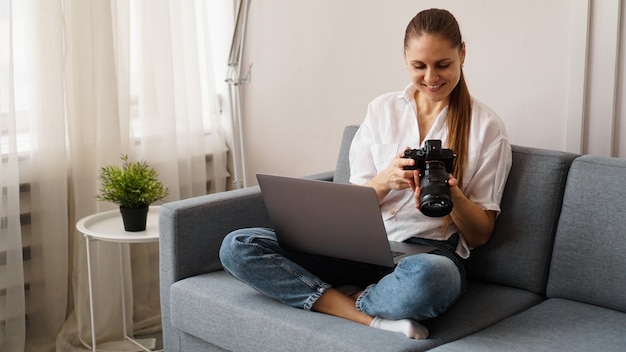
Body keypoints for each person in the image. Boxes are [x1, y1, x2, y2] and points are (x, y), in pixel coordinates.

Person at [219, 8, 512, 340]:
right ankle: (364, 314)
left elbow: (480, 235)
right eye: (419, 66)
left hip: (428, 254)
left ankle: (339, 297)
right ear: (405, 61)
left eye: (442, 64)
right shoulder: (382, 109)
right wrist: (385, 180)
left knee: (432, 279)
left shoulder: (487, 128)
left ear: (462, 53)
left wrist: (451, 192)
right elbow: (351, 205)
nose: (431, 77)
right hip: (363, 244)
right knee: (238, 245)